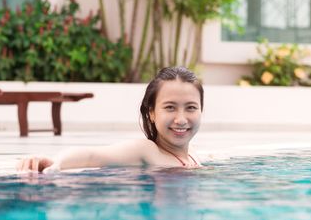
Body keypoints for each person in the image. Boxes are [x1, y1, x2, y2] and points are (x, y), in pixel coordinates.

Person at [16, 66, 204, 173]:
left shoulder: (193, 154)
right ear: (152, 113)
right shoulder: (147, 151)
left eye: (191, 108)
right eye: (170, 107)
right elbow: (93, 156)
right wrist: (56, 162)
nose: (181, 119)